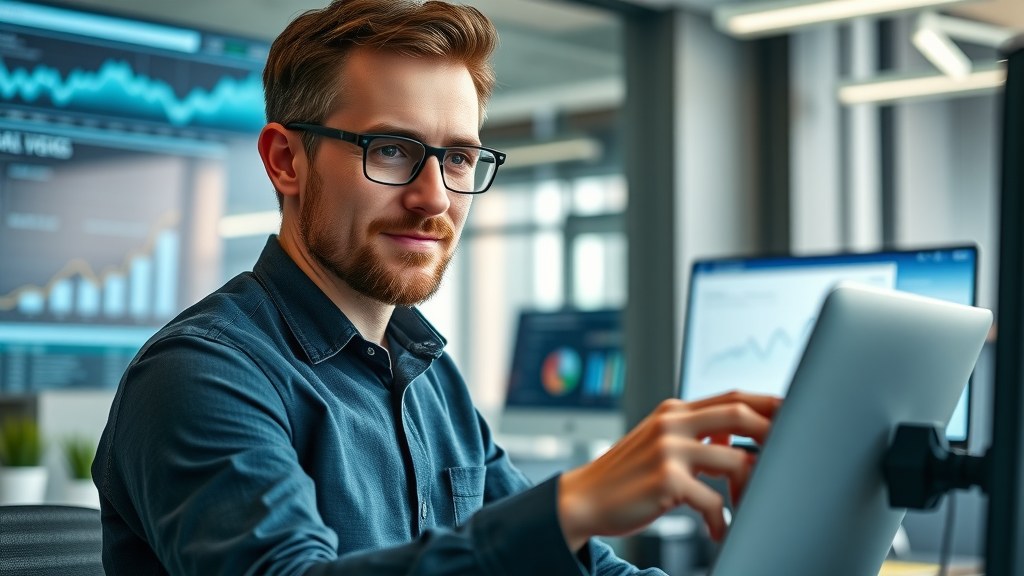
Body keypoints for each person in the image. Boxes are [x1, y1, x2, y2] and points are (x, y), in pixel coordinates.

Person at [92, 1, 781, 574]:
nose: (435, 198)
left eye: (458, 157)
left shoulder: (429, 377)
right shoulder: (201, 374)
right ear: (285, 161)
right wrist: (567, 507)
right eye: (390, 150)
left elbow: (579, 570)